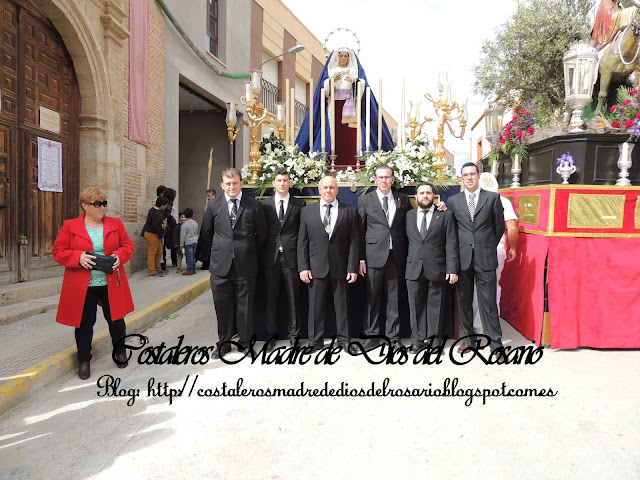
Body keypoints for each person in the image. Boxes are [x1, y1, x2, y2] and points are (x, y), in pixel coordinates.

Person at [52, 187, 135, 380]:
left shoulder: (116, 224)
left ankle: (120, 352)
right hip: (83, 286)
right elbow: (58, 251)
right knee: (84, 324)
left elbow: (128, 246)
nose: (102, 208)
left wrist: (119, 256)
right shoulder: (70, 226)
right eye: (97, 204)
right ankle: (84, 361)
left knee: (116, 321)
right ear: (85, 205)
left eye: (104, 203)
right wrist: (77, 256)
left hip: (110, 282)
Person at [201, 168, 267, 358]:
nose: (232, 186)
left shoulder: (253, 205)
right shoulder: (213, 206)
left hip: (245, 264)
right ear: (222, 185)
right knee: (222, 306)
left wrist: (245, 249)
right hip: (220, 266)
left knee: (245, 306)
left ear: (241, 183)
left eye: (235, 183)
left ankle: (245, 343)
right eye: (228, 183)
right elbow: (207, 233)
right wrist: (222, 248)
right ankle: (224, 343)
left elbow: (261, 235)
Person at [296, 47, 394, 166]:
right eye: (341, 56)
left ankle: (355, 162)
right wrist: (332, 81)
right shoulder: (332, 71)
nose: (343, 58)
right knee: (333, 134)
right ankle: (330, 161)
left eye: (345, 56)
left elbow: (362, 87)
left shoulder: (354, 70)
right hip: (335, 107)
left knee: (353, 135)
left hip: (350, 106)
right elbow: (324, 90)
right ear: (338, 57)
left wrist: (355, 81)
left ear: (349, 58)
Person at [447, 162, 505, 361]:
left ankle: (496, 344)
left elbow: (498, 228)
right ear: (461, 179)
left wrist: (486, 246)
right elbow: (451, 233)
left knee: (488, 302)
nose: (469, 178)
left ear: (478, 176)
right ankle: (468, 340)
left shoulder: (492, 199)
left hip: (485, 258)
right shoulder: (453, 201)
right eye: (465, 175)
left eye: (472, 174)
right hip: (462, 260)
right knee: (463, 302)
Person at [298, 175, 359, 352]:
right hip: (316, 268)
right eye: (325, 187)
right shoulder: (307, 212)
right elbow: (302, 241)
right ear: (319, 190)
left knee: (343, 307)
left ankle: (344, 341)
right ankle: (315, 342)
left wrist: (352, 267)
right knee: (315, 308)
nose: (328, 190)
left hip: (341, 267)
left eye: (331, 187)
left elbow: (354, 242)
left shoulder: (349, 211)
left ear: (337, 190)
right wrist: (303, 267)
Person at [357, 164, 412, 351]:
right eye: (380, 177)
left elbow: (412, 221)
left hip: (396, 256)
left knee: (393, 298)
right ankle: (372, 336)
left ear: (393, 180)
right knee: (372, 298)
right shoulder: (365, 200)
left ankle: (393, 337)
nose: (383, 180)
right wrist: (361, 259)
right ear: (375, 179)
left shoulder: (402, 199)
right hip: (372, 257)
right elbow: (360, 231)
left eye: (387, 177)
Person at [405, 182, 459, 353]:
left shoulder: (444, 216)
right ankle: (417, 341)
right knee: (415, 307)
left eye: (428, 193)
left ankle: (436, 343)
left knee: (436, 307)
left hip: (437, 268)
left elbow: (451, 244)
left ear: (433, 196)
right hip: (413, 268)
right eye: (421, 193)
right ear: (416, 197)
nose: (425, 196)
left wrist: (452, 269)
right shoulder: (408, 215)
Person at [260, 168, 306, 350]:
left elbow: (302, 234)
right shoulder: (265, 205)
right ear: (274, 182)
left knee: (294, 299)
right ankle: (271, 334)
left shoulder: (299, 205)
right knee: (270, 298)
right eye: (279, 180)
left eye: (285, 180)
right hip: (270, 258)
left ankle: (295, 334)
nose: (282, 183)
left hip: (292, 257)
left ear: (290, 183)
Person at [472, 172, 519, 333]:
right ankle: (487, 324)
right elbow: (512, 227)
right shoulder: (503, 201)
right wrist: (513, 247)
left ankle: (475, 323)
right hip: (495, 249)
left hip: (472, 249)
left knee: (474, 287)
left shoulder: (472, 200)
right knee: (492, 287)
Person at [142, 196, 169, 277]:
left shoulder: (154, 211)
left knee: (159, 252)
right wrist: (161, 234)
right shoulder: (156, 213)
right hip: (152, 234)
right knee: (152, 253)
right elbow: (155, 226)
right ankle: (152, 271)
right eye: (165, 205)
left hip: (155, 234)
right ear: (163, 205)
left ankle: (158, 268)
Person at [196, 188, 216, 270]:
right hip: (205, 230)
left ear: (213, 196)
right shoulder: (209, 205)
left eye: (209, 196)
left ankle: (208, 263)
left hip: (211, 231)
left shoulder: (215, 205)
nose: (207, 198)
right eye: (206, 196)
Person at [161, 187, 178, 270]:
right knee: (167, 244)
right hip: (168, 226)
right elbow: (167, 215)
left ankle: (171, 261)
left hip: (169, 226)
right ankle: (165, 263)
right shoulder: (167, 204)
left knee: (169, 244)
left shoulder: (169, 203)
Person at [180, 207, 198, 276]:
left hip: (188, 242)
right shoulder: (195, 223)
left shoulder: (184, 225)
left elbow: (183, 235)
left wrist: (181, 244)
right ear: (193, 215)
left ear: (184, 215)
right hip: (195, 240)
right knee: (193, 255)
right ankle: (193, 268)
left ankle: (189, 269)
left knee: (189, 256)